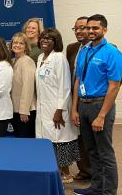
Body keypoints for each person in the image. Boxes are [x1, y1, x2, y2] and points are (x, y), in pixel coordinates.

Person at [71, 14, 122, 195]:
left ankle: (108, 192)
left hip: (100, 105)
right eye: (88, 28)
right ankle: (96, 188)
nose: (90, 31)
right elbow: (78, 79)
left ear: (104, 30)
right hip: (84, 105)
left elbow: (114, 86)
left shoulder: (112, 52)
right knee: (91, 151)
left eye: (95, 28)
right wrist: (74, 108)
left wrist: (101, 115)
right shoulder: (84, 50)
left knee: (105, 152)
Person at [35, 28, 78, 184]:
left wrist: (59, 110)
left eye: (50, 39)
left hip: (56, 107)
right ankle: (53, 170)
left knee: (59, 139)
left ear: (56, 42)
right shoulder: (40, 57)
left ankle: (66, 174)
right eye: (43, 38)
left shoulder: (59, 58)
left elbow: (65, 86)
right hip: (43, 106)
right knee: (48, 140)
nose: (45, 41)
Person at [66, 16, 92, 181]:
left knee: (96, 141)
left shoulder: (106, 48)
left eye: (83, 27)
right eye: (76, 28)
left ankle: (98, 175)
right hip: (75, 99)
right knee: (80, 137)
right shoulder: (72, 48)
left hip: (94, 100)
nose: (79, 31)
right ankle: (85, 171)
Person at [10, 32, 36, 138]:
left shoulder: (27, 61)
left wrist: (24, 110)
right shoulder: (13, 61)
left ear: (26, 47)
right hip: (15, 109)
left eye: (21, 43)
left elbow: (28, 87)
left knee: (26, 141)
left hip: (25, 111)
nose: (17, 45)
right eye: (15, 42)